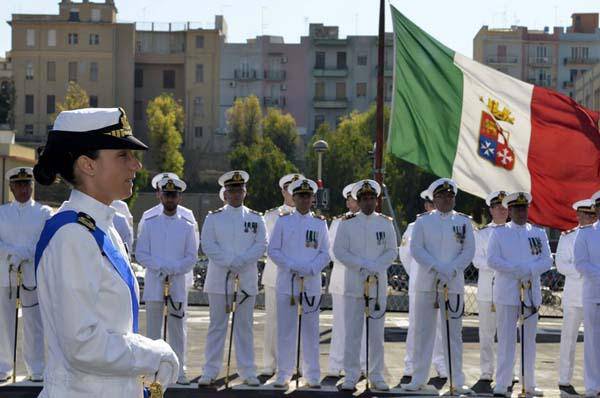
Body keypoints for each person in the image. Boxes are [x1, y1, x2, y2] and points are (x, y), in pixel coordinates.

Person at [32, 107, 179, 397]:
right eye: (123, 155)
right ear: (88, 165)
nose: (135, 166)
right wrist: (153, 354)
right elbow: (82, 344)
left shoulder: (103, 227)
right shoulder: (72, 235)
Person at [402, 178, 475, 395]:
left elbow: (468, 251)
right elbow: (416, 249)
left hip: (452, 284)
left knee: (454, 335)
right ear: (434, 199)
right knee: (423, 333)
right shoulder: (423, 222)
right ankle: (418, 378)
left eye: (450, 196)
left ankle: (456, 380)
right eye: (442, 197)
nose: (446, 200)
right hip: (427, 283)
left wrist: (451, 269)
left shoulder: (463, 222)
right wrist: (437, 267)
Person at [198, 170, 266, 387]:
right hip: (219, 279)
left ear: (245, 192)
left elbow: (261, 245)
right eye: (231, 190)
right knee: (217, 326)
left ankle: (247, 371)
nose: (236, 194)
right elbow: (208, 245)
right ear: (225, 194)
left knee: (244, 326)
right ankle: (209, 370)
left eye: (239, 190)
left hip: (245, 280)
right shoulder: (214, 217)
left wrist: (242, 261)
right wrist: (230, 261)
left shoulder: (256, 218)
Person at [333, 180, 397, 391]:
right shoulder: (347, 223)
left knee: (376, 334)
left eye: (372, 198)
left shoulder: (385, 223)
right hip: (354, 283)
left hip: (377, 284)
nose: (368, 202)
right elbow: (340, 251)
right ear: (358, 201)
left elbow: (391, 251)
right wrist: (362, 265)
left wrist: (375, 266)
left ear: (376, 201)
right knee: (352, 332)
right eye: (364, 199)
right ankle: (351, 374)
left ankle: (376, 374)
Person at [135, 176, 198, 385]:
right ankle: (153, 373)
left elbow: (191, 256)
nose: (170, 199)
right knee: (153, 331)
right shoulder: (151, 223)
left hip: (177, 283)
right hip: (155, 282)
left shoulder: (187, 225)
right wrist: (160, 266)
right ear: (160, 195)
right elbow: (141, 253)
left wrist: (174, 269)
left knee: (177, 330)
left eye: (174, 195)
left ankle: (179, 372)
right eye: (167, 194)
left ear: (179, 197)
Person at [487, 192, 552, 397]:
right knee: (506, 339)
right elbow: (492, 260)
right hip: (507, 292)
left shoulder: (538, 233)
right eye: (517, 209)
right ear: (510, 211)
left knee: (529, 341)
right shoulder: (499, 233)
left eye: (524, 208)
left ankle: (529, 383)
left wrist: (530, 270)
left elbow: (547, 260)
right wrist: (516, 269)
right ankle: (503, 383)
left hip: (531, 294)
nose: (521, 212)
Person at [268, 178, 330, 389]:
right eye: (300, 196)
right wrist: (292, 265)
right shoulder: (283, 221)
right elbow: (273, 250)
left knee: (311, 331)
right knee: (286, 331)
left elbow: (325, 253)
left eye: (307, 196)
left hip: (311, 283)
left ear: (313, 199)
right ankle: (283, 373)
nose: (304, 199)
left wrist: (311, 268)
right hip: (287, 282)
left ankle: (312, 374)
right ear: (293, 198)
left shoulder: (319, 223)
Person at [0, 167, 52, 382]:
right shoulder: (2, 212)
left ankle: (36, 367)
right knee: (4, 322)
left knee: (34, 323)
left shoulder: (43, 212)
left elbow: (45, 241)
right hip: (6, 273)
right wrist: (12, 253)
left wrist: (25, 253)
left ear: (32, 185)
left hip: (32, 275)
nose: (23, 189)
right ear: (11, 187)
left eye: (27, 184)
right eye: (19, 185)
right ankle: (4, 366)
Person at [399, 189, 447, 383]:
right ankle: (411, 365)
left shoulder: (447, 225)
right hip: (419, 283)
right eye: (429, 205)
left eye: (435, 204)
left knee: (441, 327)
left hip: (442, 284)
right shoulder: (413, 226)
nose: (432, 208)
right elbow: (405, 255)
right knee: (416, 326)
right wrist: (417, 275)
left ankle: (441, 365)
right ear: (426, 206)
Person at [261, 173, 304, 376]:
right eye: (289, 188)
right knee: (273, 322)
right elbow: (268, 246)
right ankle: (270, 363)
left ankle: (297, 363)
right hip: (275, 276)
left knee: (299, 321)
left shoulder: (309, 217)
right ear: (283, 191)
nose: (292, 193)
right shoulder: (271, 216)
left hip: (301, 277)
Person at [556, 199, 596, 397]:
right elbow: (562, 264)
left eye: (591, 214)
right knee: (568, 339)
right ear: (578, 215)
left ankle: (594, 383)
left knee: (594, 341)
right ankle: (564, 380)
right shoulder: (568, 237)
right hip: (574, 295)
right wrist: (583, 270)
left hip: (595, 295)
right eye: (584, 215)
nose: (588, 218)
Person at [327, 182, 363, 377]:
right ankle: (336, 364)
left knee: (363, 325)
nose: (354, 202)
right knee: (341, 324)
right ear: (348, 203)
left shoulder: (370, 222)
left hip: (364, 280)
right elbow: (331, 251)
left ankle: (363, 364)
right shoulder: (339, 222)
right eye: (351, 199)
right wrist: (352, 261)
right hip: (342, 278)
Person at [472, 190, 509, 386]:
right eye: (498, 207)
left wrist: (496, 262)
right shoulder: (482, 233)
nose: (502, 210)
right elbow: (477, 260)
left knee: (507, 334)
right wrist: (498, 263)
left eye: (505, 207)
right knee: (486, 333)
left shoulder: (515, 231)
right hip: (487, 290)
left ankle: (508, 371)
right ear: (491, 210)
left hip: (508, 290)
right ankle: (486, 371)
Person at [573, 190, 600, 398]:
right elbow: (581, 264)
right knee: (592, 340)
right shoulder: (586, 233)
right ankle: (593, 386)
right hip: (594, 294)